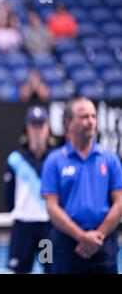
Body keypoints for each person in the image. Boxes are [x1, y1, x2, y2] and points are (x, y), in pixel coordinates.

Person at [41, 98, 122, 274]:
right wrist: (81, 237)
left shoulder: (110, 159)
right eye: (84, 116)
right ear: (68, 124)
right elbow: (52, 207)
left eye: (93, 116)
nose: (91, 121)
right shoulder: (54, 161)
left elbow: (120, 202)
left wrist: (96, 237)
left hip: (104, 245)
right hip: (66, 247)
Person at [5, 105, 54, 273]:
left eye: (41, 125)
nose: (38, 130)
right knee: (20, 270)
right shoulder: (15, 159)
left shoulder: (56, 159)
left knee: (51, 269)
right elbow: (9, 197)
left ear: (48, 127)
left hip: (48, 227)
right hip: (23, 228)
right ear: (27, 128)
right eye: (34, 125)